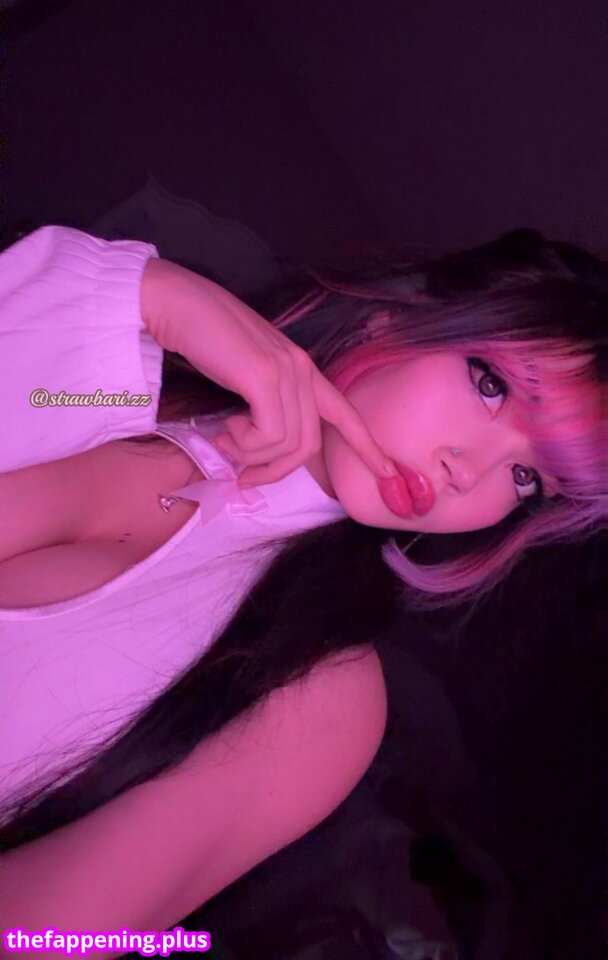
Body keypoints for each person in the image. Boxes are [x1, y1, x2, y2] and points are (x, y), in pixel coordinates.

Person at [0, 223, 604, 950]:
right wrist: (157, 296)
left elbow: (38, 936)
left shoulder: (319, 693)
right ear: (395, 319)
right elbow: (39, 387)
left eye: (528, 477)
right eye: (490, 385)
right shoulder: (112, 376)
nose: (467, 471)